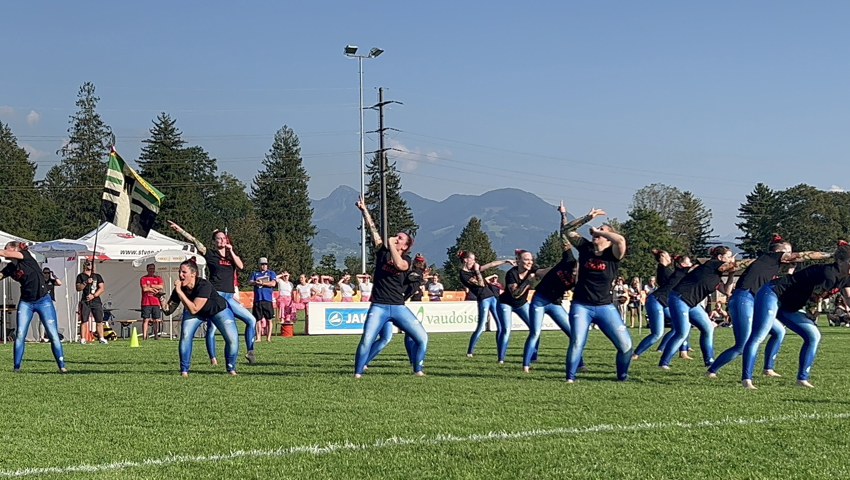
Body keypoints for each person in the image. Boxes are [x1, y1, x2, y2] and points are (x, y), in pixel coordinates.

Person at [707, 236, 830, 378]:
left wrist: (790, 271)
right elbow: (801, 256)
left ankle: (768, 368)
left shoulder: (770, 264)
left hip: (753, 299)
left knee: (778, 332)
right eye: (789, 252)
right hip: (744, 298)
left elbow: (784, 283)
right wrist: (829, 254)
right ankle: (712, 371)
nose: (792, 256)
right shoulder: (772, 256)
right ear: (780, 251)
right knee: (742, 345)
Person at [740, 241, 850, 389]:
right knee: (760, 335)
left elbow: (848, 297)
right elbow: (814, 299)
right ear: (840, 261)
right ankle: (746, 379)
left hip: (790, 305)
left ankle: (801, 379)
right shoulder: (829, 274)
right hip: (773, 293)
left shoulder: (845, 277)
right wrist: (812, 316)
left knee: (814, 336)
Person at [353, 195, 427, 377]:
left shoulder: (406, 260)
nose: (396, 237)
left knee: (422, 338)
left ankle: (418, 370)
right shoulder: (382, 251)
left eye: (400, 238)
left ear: (405, 246)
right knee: (367, 340)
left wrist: (392, 247)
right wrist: (364, 211)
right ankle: (357, 373)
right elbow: (373, 230)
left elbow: (399, 266)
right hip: (379, 305)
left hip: (398, 306)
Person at [523, 202, 601, 372]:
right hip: (540, 299)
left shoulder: (582, 279)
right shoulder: (568, 260)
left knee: (573, 334)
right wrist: (563, 215)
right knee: (535, 332)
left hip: (555, 303)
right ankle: (526, 365)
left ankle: (580, 364)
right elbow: (564, 235)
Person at [168, 221, 258, 364]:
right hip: (216, 296)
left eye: (224, 238)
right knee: (211, 328)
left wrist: (231, 251)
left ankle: (250, 352)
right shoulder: (211, 254)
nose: (222, 240)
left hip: (229, 297)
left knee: (251, 320)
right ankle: (213, 358)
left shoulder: (231, 256)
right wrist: (180, 230)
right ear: (214, 242)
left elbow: (240, 266)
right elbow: (195, 241)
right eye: (219, 239)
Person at [564, 213, 632, 383]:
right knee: (577, 341)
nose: (597, 233)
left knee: (625, 346)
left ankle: (622, 377)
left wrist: (601, 231)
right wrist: (588, 217)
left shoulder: (613, 254)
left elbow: (621, 241)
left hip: (605, 307)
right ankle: (570, 378)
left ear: (608, 239)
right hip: (581, 305)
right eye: (597, 231)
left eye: (603, 231)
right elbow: (567, 230)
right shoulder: (585, 248)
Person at [659, 246, 737, 370]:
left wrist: (732, 274)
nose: (730, 259)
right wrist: (734, 264)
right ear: (720, 257)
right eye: (728, 256)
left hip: (691, 304)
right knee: (682, 333)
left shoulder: (716, 276)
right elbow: (732, 265)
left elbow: (727, 291)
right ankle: (664, 363)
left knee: (708, 328)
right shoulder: (711, 264)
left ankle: (709, 361)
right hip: (679, 298)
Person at [161, 258, 239, 377]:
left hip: (218, 310)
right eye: (179, 272)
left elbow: (194, 309)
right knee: (185, 335)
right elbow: (168, 311)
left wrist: (180, 293)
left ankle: (231, 368)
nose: (180, 275)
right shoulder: (179, 289)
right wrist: (160, 297)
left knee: (232, 339)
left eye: (184, 272)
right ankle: (184, 370)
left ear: (193, 274)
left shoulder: (203, 285)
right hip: (197, 312)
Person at [0, 242, 66, 373]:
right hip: (26, 302)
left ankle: (61, 366)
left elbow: (4, 253)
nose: (4, 250)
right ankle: (16, 367)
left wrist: (4, 251)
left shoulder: (25, 256)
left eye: (6, 247)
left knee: (53, 335)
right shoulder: (10, 268)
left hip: (43, 301)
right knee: (20, 334)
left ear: (14, 249)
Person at [632, 251, 694, 360]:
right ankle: (634, 354)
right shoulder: (664, 269)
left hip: (665, 302)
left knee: (682, 325)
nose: (670, 256)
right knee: (657, 333)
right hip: (657, 300)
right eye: (667, 255)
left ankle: (682, 351)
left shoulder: (670, 271)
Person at [75, 259, 107, 344]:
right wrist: (86, 282)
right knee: (84, 320)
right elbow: (78, 288)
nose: (90, 266)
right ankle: (83, 338)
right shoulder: (81, 276)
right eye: (88, 264)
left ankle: (101, 338)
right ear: (85, 265)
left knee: (99, 320)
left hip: (96, 301)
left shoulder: (97, 276)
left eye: (92, 264)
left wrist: (94, 296)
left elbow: (102, 288)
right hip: (85, 301)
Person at [250, 257, 277, 343]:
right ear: (259, 265)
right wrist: (255, 282)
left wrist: (263, 283)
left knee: (269, 319)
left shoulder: (271, 273)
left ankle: (268, 337)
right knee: (258, 319)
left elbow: (273, 283)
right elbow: (250, 282)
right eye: (262, 264)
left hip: (267, 299)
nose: (264, 266)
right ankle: (258, 337)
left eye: (265, 264)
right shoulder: (255, 273)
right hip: (258, 299)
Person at [37, 267, 62, 342]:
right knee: (42, 320)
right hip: (42, 301)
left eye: (48, 273)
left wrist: (54, 276)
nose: (47, 274)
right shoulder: (40, 281)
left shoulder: (51, 281)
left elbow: (59, 283)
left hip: (51, 301)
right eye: (45, 273)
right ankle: (41, 337)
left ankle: (52, 336)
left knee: (52, 319)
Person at [140, 263, 164, 340]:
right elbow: (144, 289)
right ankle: (144, 336)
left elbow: (161, 286)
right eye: (150, 269)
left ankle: (156, 336)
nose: (152, 270)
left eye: (153, 269)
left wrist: (151, 286)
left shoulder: (158, 278)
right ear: (147, 269)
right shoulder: (143, 278)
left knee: (156, 320)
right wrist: (154, 289)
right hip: (146, 302)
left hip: (156, 302)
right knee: (146, 319)